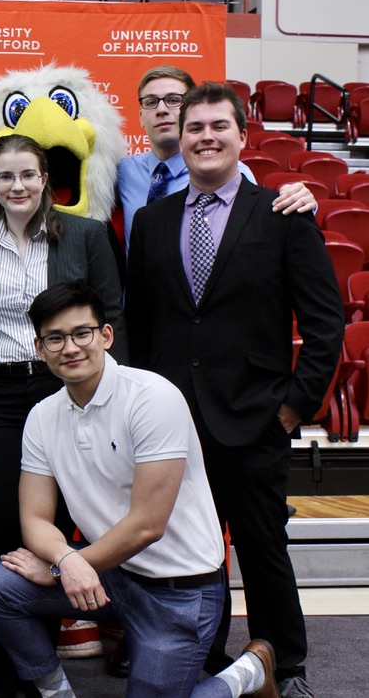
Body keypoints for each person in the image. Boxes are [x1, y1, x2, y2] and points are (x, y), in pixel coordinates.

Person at [126, 82, 345, 698]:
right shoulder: (151, 221)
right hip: (173, 425)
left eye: (218, 127)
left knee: (262, 548)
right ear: (179, 137)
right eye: (194, 128)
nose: (205, 138)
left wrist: (293, 407)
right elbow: (140, 328)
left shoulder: (281, 215)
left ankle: (289, 665)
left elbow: (326, 326)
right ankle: (208, 659)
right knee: (189, 554)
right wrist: (141, 411)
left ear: (242, 135)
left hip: (254, 420)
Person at [0, 280, 280, 698]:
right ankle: (56, 693)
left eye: (82, 333)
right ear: (39, 348)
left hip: (181, 589)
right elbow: (34, 518)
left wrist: (65, 567)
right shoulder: (43, 416)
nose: (71, 347)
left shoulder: (152, 397)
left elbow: (147, 525)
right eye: (55, 338)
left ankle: (245, 674)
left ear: (106, 335)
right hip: (112, 573)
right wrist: (66, 558)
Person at [0, 133, 122, 697]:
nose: (17, 186)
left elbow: (112, 312)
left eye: (28, 174)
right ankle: (12, 671)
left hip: (67, 389)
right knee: (6, 524)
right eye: (5, 176)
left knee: (62, 528)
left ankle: (42, 661)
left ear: (46, 178)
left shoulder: (85, 233)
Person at [117, 65, 314, 249]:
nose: (161, 110)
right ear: (141, 117)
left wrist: (300, 203)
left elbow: (260, 226)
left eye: (174, 100)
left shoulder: (233, 173)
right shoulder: (122, 171)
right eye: (151, 102)